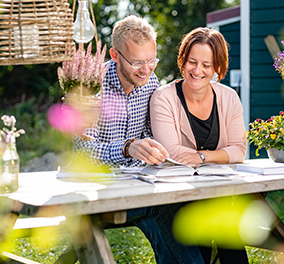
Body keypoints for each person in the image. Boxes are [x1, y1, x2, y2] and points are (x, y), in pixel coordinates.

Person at [73, 15, 204, 264]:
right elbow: (82, 151)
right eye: (136, 62)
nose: (146, 70)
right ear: (114, 55)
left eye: (151, 61)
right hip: (95, 191)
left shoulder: (150, 82)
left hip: (139, 185)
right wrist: (127, 148)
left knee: (180, 211)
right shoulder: (88, 86)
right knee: (166, 212)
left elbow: (150, 134)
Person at [150, 27, 249, 264]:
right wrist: (219, 155)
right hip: (178, 196)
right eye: (192, 62)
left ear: (217, 67)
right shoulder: (163, 98)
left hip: (217, 191)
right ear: (182, 61)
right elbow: (171, 152)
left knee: (221, 212)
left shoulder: (229, 98)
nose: (197, 70)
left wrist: (202, 157)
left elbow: (239, 150)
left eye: (206, 65)